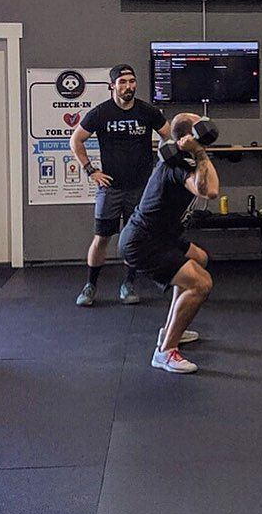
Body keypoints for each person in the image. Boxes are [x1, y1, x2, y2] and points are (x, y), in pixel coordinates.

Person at [118, 113, 220, 374]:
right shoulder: (175, 165)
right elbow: (208, 191)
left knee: (199, 258)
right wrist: (200, 152)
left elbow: (213, 186)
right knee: (201, 283)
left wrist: (200, 152)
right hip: (143, 241)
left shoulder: (186, 159)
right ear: (191, 134)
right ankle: (165, 352)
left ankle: (173, 327)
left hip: (163, 236)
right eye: (199, 123)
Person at [71, 64, 171, 307]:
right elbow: (76, 140)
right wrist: (91, 170)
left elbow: (170, 136)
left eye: (132, 81)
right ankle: (91, 285)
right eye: (123, 82)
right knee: (101, 238)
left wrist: (163, 166)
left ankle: (128, 284)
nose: (128, 86)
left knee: (133, 238)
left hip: (140, 188)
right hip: (111, 188)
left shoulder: (148, 112)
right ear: (112, 86)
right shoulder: (101, 113)